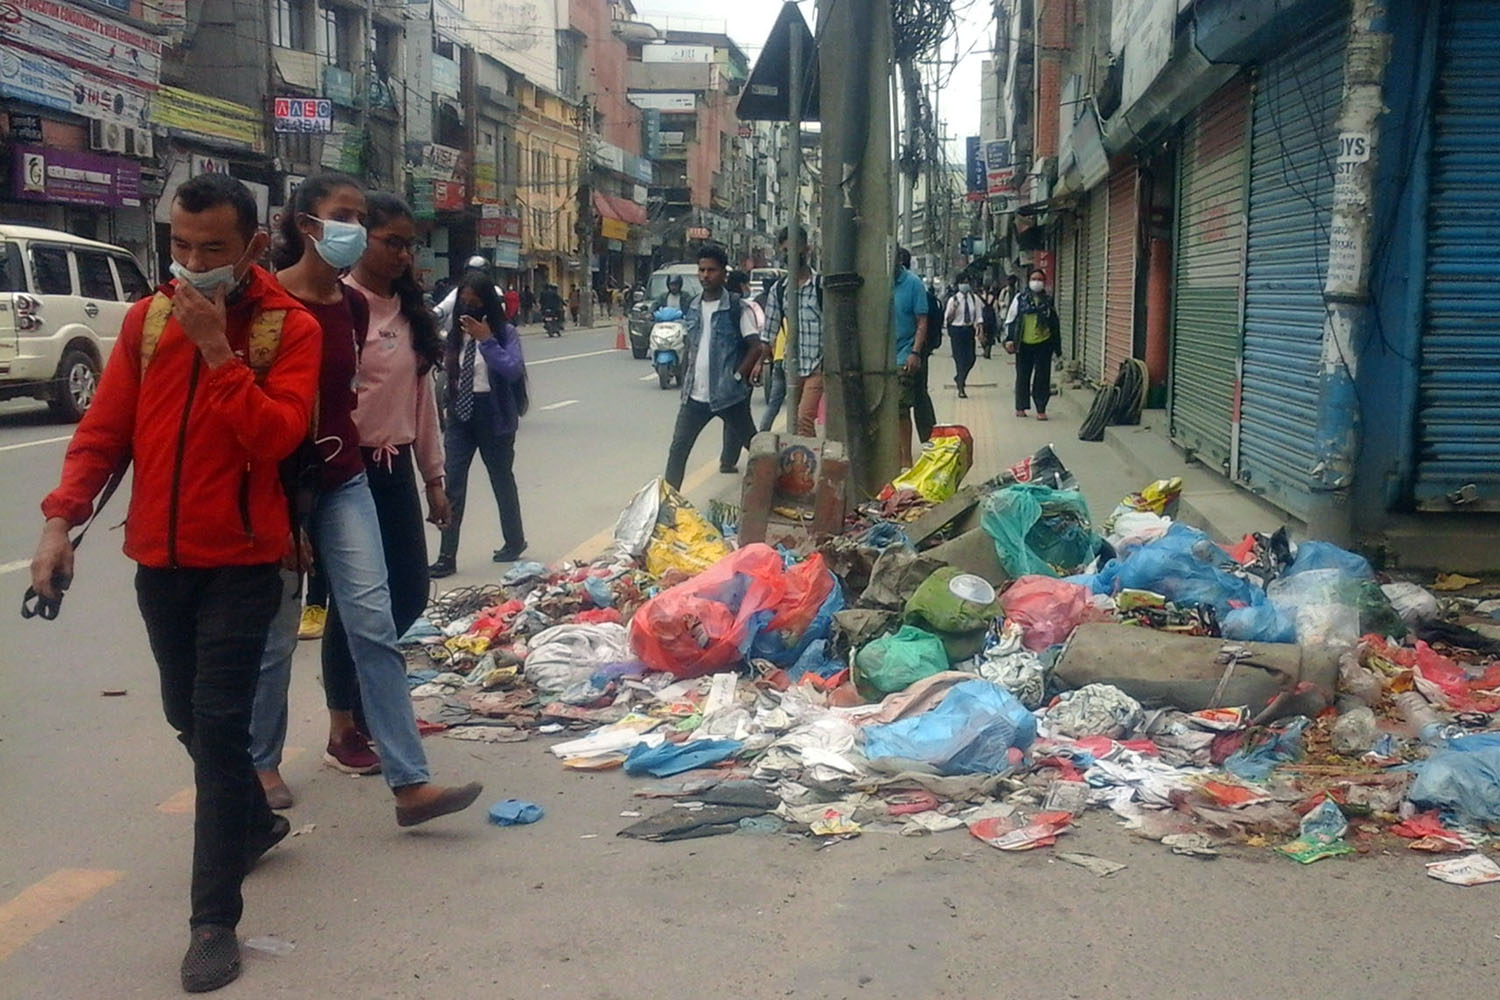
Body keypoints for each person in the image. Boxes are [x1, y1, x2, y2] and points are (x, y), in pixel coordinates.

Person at [30, 173, 321, 993]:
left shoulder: (285, 329)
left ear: (254, 248)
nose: (192, 264)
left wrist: (219, 354)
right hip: (160, 562)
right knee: (184, 717)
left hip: (244, 561)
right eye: (180, 246)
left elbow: (275, 436)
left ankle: (211, 922)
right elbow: (105, 431)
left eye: (213, 250)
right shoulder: (147, 320)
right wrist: (62, 522)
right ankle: (254, 820)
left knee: (220, 732)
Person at [252, 171, 482, 833]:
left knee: (377, 620)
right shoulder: (268, 304)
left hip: (348, 475)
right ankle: (262, 764)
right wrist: (283, 507)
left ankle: (410, 783)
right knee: (275, 633)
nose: (354, 230)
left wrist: (431, 478)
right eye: (344, 216)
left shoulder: (354, 310)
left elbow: (396, 402)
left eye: (361, 216)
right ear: (307, 224)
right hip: (283, 481)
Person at [429, 273, 529, 577]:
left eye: (475, 303)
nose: (468, 309)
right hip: (460, 415)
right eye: (464, 303)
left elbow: (512, 370)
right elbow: (448, 371)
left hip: (494, 416)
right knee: (454, 485)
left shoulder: (505, 333)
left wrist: (486, 339)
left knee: (501, 479)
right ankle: (447, 556)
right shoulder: (455, 335)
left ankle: (514, 540)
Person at [663, 245, 764, 488]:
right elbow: (692, 345)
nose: (705, 275)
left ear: (723, 274)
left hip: (729, 395)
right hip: (694, 397)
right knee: (678, 451)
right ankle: (667, 507)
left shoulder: (736, 308)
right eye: (702, 270)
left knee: (757, 449)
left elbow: (755, 346)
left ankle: (781, 490)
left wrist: (738, 375)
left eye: (711, 270)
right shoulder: (693, 306)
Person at [759, 226, 824, 436]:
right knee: (795, 423)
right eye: (786, 250)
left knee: (804, 419)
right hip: (792, 367)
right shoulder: (780, 290)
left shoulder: (820, 286)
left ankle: (808, 467)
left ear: (807, 249)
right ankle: (806, 462)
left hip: (817, 366)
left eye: (795, 249)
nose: (791, 255)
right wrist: (760, 364)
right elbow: (768, 333)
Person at [1004, 267, 1063, 420]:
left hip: (1044, 344)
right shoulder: (1020, 299)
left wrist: (1057, 348)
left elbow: (1054, 324)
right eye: (1034, 279)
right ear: (1029, 281)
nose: (1037, 282)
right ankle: (1021, 407)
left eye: (1040, 279)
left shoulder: (1048, 300)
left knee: (1042, 377)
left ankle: (1041, 408)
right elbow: (1011, 320)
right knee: (1023, 376)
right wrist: (1009, 340)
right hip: (1023, 344)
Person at [892, 247, 933, 469]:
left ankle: (906, 458)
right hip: (879, 355)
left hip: (904, 353)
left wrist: (915, 352)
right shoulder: (877, 281)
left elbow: (922, 321)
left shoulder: (913, 284)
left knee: (900, 407)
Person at [945, 279, 983, 398]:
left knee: (971, 358)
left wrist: (980, 330)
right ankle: (961, 387)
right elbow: (947, 319)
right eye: (963, 282)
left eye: (967, 282)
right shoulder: (953, 299)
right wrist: (954, 309)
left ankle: (959, 377)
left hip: (969, 330)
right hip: (956, 331)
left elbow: (979, 316)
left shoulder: (974, 298)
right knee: (959, 359)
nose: (965, 285)